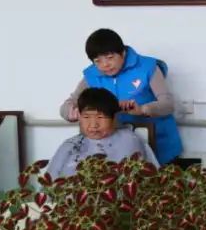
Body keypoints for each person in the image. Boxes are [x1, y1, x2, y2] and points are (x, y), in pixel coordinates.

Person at [60, 29, 182, 164]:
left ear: (123, 53)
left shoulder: (148, 67)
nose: (105, 65)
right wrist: (70, 112)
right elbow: (69, 104)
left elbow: (168, 104)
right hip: (116, 149)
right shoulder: (91, 75)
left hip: (159, 144)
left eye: (110, 58)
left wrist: (142, 109)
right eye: (97, 61)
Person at [47, 88, 159, 178]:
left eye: (100, 117)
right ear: (79, 116)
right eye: (86, 117)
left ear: (114, 118)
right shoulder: (70, 145)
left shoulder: (129, 140)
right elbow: (50, 184)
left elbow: (136, 181)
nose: (93, 125)